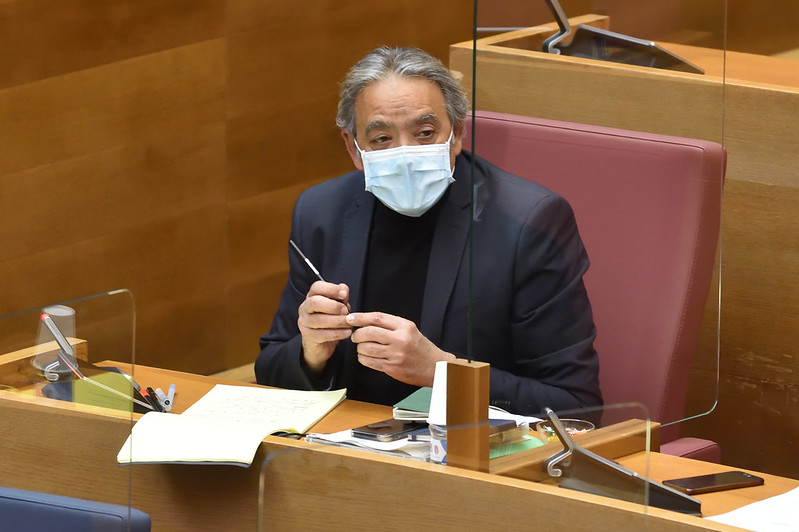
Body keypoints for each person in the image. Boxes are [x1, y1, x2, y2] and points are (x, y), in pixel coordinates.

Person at [255, 46, 602, 416]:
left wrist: (442, 372)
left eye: (424, 133)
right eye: (382, 139)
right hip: (349, 444)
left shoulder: (529, 222)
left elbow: (575, 406)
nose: (405, 153)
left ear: (457, 134)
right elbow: (270, 368)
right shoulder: (321, 210)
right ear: (354, 149)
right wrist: (311, 352)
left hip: (468, 450)